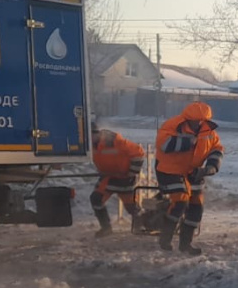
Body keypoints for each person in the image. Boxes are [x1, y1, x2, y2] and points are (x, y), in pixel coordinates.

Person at [154, 101, 224, 255]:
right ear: (187, 119)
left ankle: (186, 244)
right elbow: (163, 145)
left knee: (196, 208)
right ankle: (165, 239)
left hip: (194, 172)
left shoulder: (209, 132)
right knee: (181, 201)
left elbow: (217, 149)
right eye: (195, 120)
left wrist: (211, 167)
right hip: (169, 170)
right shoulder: (172, 125)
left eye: (201, 120)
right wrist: (188, 142)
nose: (198, 123)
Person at [90, 122, 145, 238]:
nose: (90, 139)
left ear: (98, 134)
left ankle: (139, 226)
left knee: (131, 206)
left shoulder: (116, 142)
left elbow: (138, 152)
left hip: (124, 179)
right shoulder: (90, 146)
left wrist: (132, 172)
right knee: (96, 199)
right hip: (108, 178)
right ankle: (106, 228)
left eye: (92, 135)